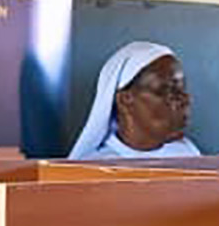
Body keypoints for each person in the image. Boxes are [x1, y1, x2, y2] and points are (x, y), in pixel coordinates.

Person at [67, 41, 202, 161]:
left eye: (182, 88)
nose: (185, 99)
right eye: (166, 90)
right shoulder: (96, 168)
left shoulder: (187, 155)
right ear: (125, 99)